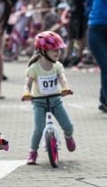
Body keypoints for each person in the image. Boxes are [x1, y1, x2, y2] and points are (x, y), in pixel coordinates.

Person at [21, 31, 75, 165]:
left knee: (68, 126)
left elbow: (62, 79)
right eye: (54, 50)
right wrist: (26, 93)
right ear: (43, 51)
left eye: (59, 49)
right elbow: (27, 84)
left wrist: (65, 88)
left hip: (55, 100)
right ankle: (33, 152)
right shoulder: (34, 68)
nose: (58, 52)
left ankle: (68, 136)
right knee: (38, 129)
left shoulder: (57, 66)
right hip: (39, 102)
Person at [64, 0, 88, 66]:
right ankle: (66, 57)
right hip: (72, 16)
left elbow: (85, 3)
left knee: (79, 37)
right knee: (70, 37)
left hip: (80, 16)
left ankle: (79, 56)